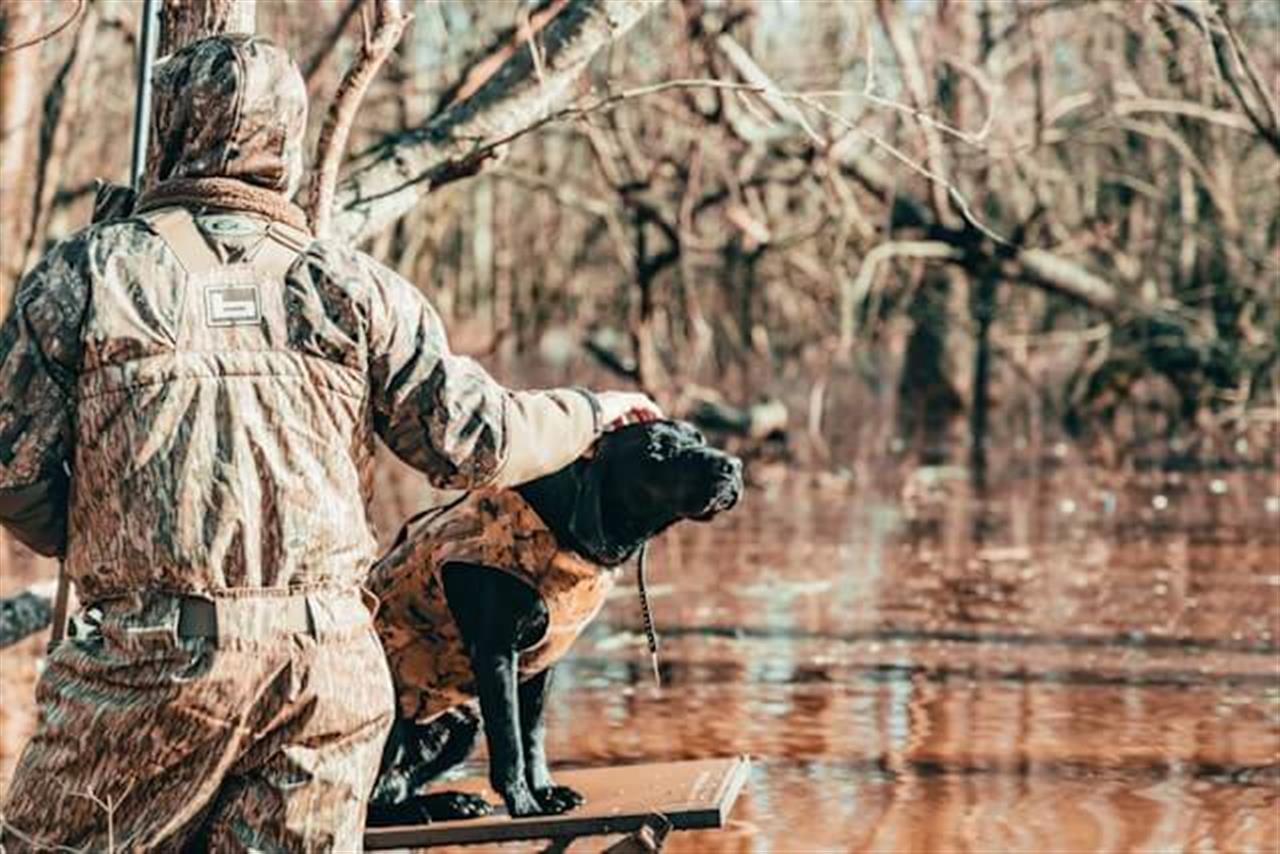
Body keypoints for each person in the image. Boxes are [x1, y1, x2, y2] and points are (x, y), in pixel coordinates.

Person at [0, 34, 659, 852]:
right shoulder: (355, 287)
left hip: (150, 661)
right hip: (328, 676)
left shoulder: (85, 275)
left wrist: (97, 533)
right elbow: (479, 442)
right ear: (291, 144)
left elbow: (14, 476)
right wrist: (594, 412)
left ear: (166, 131)